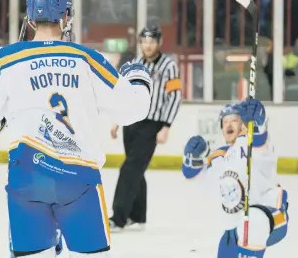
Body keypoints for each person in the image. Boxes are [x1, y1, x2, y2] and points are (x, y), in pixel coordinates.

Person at [0, 0, 153, 258]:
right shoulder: (87, 58)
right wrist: (139, 76)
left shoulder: (3, 60)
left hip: (27, 178)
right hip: (78, 180)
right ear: (66, 16)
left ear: (29, 18)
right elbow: (133, 109)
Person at [182, 99, 289, 258]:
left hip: (272, 215)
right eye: (225, 121)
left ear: (244, 123)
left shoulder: (253, 144)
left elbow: (260, 140)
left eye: (234, 120)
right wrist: (193, 159)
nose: (229, 124)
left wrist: (257, 123)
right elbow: (193, 176)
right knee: (238, 232)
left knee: (253, 223)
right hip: (234, 229)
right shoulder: (218, 158)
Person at [109, 25, 182, 232]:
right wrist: (117, 120)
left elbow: (175, 97)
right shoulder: (134, 64)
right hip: (131, 122)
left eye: (152, 41)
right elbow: (124, 94)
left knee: (130, 168)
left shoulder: (169, 66)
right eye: (145, 41)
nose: (148, 45)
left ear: (159, 43)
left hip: (151, 124)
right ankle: (137, 215)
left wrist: (166, 126)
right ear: (140, 43)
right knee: (136, 170)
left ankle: (119, 218)